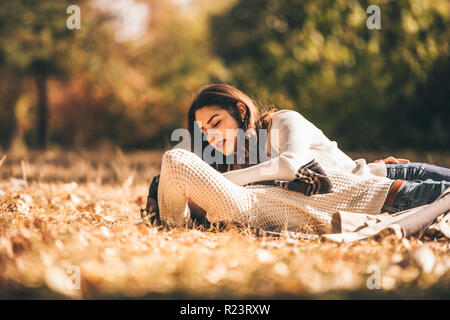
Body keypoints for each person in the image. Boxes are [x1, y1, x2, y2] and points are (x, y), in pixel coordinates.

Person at [154, 84, 449, 232]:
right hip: (369, 195)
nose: (209, 137)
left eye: (215, 123)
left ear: (240, 112)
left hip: (390, 178)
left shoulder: (284, 122)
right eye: (203, 131)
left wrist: (220, 180)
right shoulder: (240, 159)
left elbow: (289, 166)